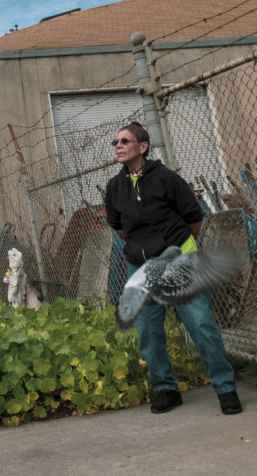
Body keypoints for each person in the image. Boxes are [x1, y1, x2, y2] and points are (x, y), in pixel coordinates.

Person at [103, 121, 242, 415]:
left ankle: (226, 388)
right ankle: (166, 389)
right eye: (115, 142)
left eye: (124, 141)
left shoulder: (167, 179)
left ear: (142, 147)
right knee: (148, 330)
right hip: (140, 268)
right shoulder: (115, 187)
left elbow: (194, 219)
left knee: (201, 324)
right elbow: (118, 227)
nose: (118, 146)